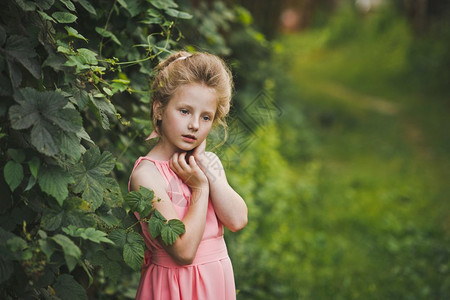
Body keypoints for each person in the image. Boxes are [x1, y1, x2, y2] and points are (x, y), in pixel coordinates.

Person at [128, 51, 248, 300]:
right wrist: (200, 190)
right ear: (159, 109)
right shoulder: (147, 175)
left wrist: (205, 164)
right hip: (173, 287)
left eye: (206, 117)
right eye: (184, 111)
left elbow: (237, 220)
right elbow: (183, 250)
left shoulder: (207, 163)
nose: (195, 125)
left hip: (215, 282)